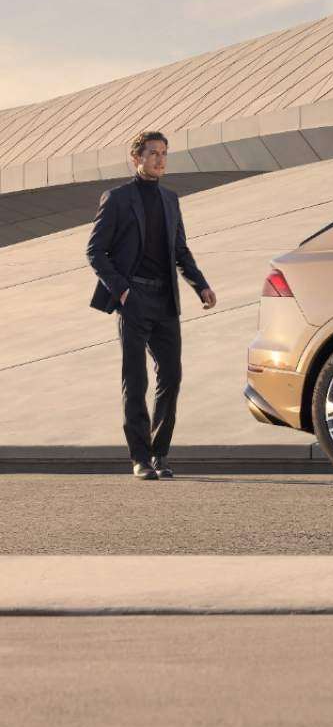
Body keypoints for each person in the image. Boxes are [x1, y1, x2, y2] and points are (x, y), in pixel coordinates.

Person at [86, 129, 218, 480]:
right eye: (153, 153)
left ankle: (160, 454)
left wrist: (200, 285)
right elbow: (95, 251)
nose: (160, 160)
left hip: (165, 299)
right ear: (137, 158)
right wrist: (122, 290)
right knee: (136, 380)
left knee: (171, 377)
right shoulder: (116, 198)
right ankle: (140, 458)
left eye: (164, 153)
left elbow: (180, 250)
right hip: (133, 299)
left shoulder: (170, 199)